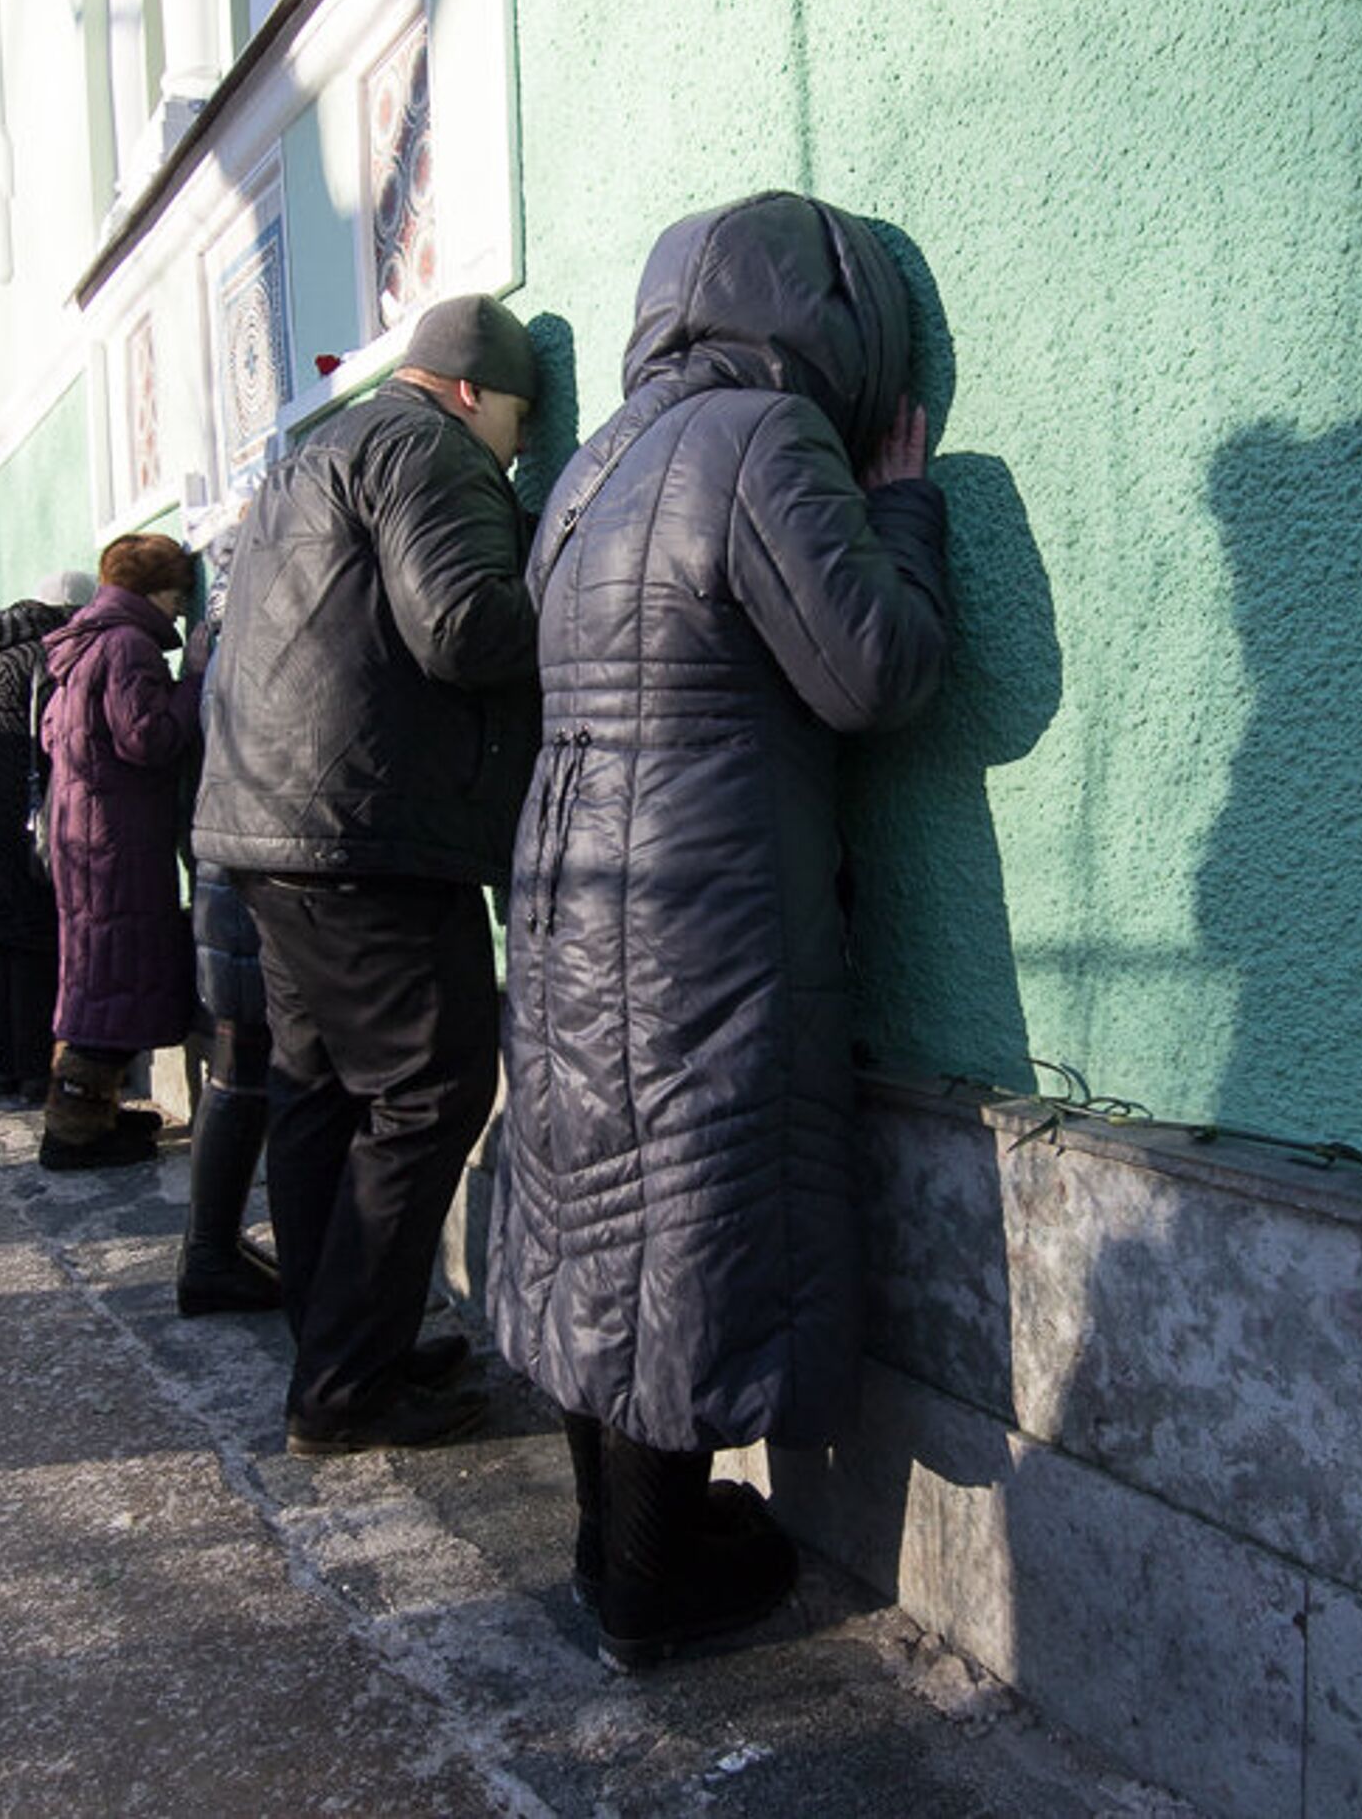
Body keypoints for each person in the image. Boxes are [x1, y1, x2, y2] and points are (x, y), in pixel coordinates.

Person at [486, 192, 951, 1669]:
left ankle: (613, 1551)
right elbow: (873, 672)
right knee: (683, 1222)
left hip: (571, 890)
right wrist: (903, 510)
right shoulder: (762, 441)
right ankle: (647, 1586)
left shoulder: (587, 466)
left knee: (587, 1216)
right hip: (700, 904)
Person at [192, 292, 541, 1455]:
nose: (519, 445)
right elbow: (461, 626)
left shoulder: (308, 460)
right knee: (433, 1083)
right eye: (518, 420)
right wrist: (577, 582)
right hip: (365, 833)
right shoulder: (431, 448)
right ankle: (346, 1387)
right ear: (469, 390)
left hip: (264, 825)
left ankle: (340, 1345)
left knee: (319, 1092)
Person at [39, 534, 202, 1169]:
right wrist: (192, 684)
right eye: (175, 595)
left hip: (86, 833)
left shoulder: (84, 644)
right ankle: (74, 1133)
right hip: (118, 836)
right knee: (112, 976)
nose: (178, 609)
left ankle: (88, 1111)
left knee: (95, 974)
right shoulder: (129, 645)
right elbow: (148, 738)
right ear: (153, 592)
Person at [177, 534, 283, 1316]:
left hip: (223, 870)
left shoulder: (216, 643)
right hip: (247, 880)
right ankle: (209, 1252)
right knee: (245, 1071)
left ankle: (209, 1248)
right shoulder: (254, 640)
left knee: (237, 1069)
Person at [0, 571, 92, 1102]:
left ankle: (5, 1064)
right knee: (32, 946)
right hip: (25, 822)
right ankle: (33, 1070)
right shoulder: (43, 655)